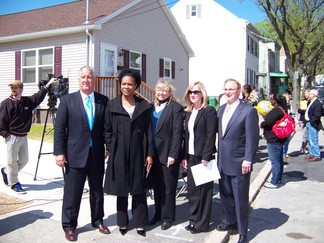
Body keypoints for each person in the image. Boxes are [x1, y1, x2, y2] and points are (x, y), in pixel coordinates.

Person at [54, 66, 110, 241]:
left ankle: (98, 220)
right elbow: (59, 129)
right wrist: (59, 153)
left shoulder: (103, 100)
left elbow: (106, 128)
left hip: (96, 154)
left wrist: (107, 147)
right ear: (78, 80)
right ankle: (69, 226)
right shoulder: (67, 100)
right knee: (72, 192)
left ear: (94, 79)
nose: (86, 80)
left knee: (97, 191)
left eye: (89, 77)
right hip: (74, 154)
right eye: (83, 77)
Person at [103, 68, 154, 237]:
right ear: (120, 84)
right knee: (122, 189)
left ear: (136, 86)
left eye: (130, 84)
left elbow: (148, 132)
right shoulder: (112, 105)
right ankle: (122, 223)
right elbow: (107, 130)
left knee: (139, 189)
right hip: (119, 153)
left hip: (139, 152)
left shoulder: (144, 106)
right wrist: (111, 148)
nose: (126, 87)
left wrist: (149, 154)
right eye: (123, 83)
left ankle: (140, 223)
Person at [216, 78, 259, 243]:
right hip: (222, 162)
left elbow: (252, 138)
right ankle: (230, 221)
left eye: (231, 89)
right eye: (226, 89)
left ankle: (243, 233)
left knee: (240, 199)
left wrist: (248, 159)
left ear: (239, 91)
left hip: (240, 162)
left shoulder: (248, 111)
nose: (228, 92)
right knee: (225, 195)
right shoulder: (220, 110)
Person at [0, 78, 54, 194]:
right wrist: (6, 135)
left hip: (23, 136)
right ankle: (14, 183)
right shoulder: (6, 104)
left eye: (16, 87)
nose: (13, 90)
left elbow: (39, 96)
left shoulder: (27, 101)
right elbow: (1, 121)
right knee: (12, 161)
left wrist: (48, 84)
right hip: (12, 137)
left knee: (24, 160)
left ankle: (6, 171)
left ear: (21, 89)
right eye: (12, 88)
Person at [182, 81, 217, 234]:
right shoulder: (188, 112)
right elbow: (186, 136)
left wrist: (207, 155)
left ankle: (202, 224)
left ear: (202, 94)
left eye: (196, 92)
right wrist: (184, 156)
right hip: (190, 156)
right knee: (192, 191)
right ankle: (193, 220)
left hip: (203, 157)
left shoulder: (209, 111)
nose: (193, 95)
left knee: (204, 192)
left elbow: (211, 134)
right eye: (190, 92)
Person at [148, 79, 184, 230]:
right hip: (153, 154)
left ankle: (167, 217)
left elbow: (178, 133)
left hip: (168, 154)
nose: (161, 92)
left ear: (169, 92)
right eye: (159, 89)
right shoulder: (151, 107)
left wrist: (173, 154)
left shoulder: (175, 108)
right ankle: (157, 213)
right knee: (156, 186)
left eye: (164, 90)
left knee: (168, 187)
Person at [260, 93, 288, 189]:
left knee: (275, 161)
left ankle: (275, 181)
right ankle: (278, 179)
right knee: (279, 160)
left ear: (275, 101)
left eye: (272, 99)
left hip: (273, 138)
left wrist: (262, 124)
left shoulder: (276, 110)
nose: (270, 101)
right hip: (279, 138)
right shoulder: (283, 109)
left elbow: (267, 122)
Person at [304, 89, 323, 162]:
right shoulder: (310, 102)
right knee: (309, 140)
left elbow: (317, 115)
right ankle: (312, 153)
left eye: (310, 94)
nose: (309, 95)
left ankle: (316, 155)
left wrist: (312, 122)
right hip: (308, 122)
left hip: (313, 124)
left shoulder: (317, 103)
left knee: (313, 140)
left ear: (314, 95)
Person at [297, 89, 310, 154]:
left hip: (309, 120)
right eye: (305, 93)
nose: (305, 94)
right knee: (305, 134)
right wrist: (304, 110)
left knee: (306, 134)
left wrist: (305, 109)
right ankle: (304, 147)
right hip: (303, 119)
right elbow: (299, 110)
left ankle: (304, 147)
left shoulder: (311, 101)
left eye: (307, 93)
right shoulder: (303, 101)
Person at [282, 92, 293, 162]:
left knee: (288, 140)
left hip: (289, 126)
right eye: (287, 98)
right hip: (284, 126)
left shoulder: (289, 106)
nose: (288, 100)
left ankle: (285, 153)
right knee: (284, 141)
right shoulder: (282, 107)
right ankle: (283, 155)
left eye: (289, 98)